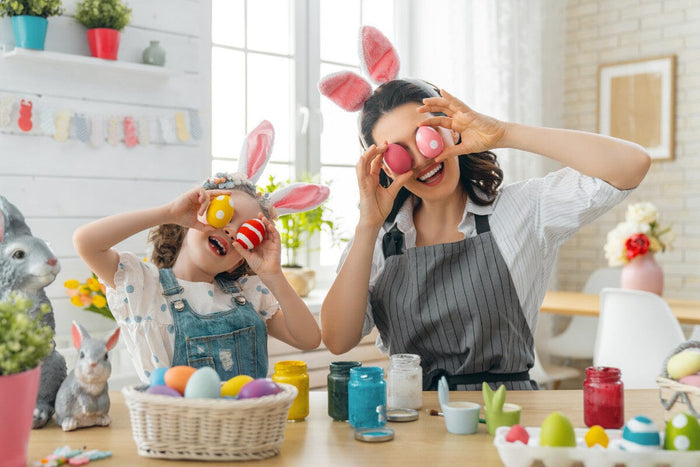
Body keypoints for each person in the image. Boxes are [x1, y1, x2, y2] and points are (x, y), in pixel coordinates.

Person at [321, 79, 651, 390]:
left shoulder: (523, 210)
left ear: (451, 129)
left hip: (506, 420)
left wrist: (504, 133)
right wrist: (367, 225)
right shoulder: (377, 240)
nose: (421, 159)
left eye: (425, 136)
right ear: (383, 168)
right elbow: (337, 339)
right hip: (411, 417)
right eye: (398, 153)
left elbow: (632, 164)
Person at [73, 122, 325, 384]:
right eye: (226, 215)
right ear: (195, 211)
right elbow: (86, 242)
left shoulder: (248, 293)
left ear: (240, 258)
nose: (231, 232)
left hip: (247, 423)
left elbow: (308, 338)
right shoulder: (145, 288)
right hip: (177, 423)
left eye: (245, 234)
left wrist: (273, 274)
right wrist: (168, 213)